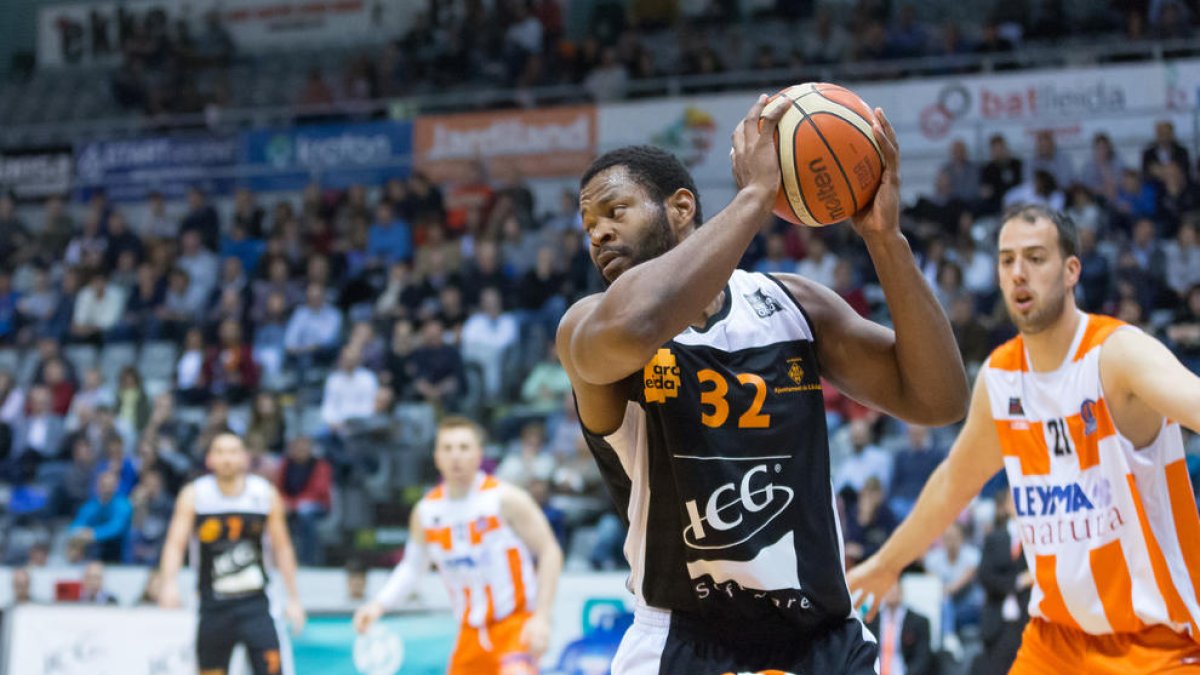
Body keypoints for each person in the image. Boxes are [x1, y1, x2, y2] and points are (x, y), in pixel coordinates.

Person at [556, 95, 967, 673]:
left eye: (614, 211)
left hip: (821, 639)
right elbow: (636, 325)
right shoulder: (588, 325)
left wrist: (884, 240)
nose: (597, 234)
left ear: (681, 208)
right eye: (588, 225)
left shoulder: (791, 305)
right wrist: (753, 197)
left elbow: (941, 399)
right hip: (686, 639)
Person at [849, 204, 1200, 673]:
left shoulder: (1117, 356)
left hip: (1156, 643)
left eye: (1036, 258)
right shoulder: (1001, 377)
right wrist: (887, 564)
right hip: (1056, 642)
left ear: (1072, 269)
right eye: (1007, 259)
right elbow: (955, 482)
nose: (1019, 273)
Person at [352, 417, 564, 675]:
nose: (456, 456)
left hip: (515, 625)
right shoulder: (426, 511)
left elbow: (550, 551)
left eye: (464, 447)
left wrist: (541, 617)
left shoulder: (505, 498)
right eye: (448, 448)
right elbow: (412, 568)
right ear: (436, 456)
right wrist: (377, 605)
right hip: (469, 633)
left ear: (479, 453)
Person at [159, 433, 306, 675]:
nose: (227, 458)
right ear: (210, 459)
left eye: (233, 452)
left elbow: (283, 548)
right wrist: (169, 584)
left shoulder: (264, 494)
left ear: (245, 459)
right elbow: (175, 544)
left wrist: (294, 598)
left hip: (258, 604)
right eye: (220, 452)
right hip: (212, 603)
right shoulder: (195, 495)